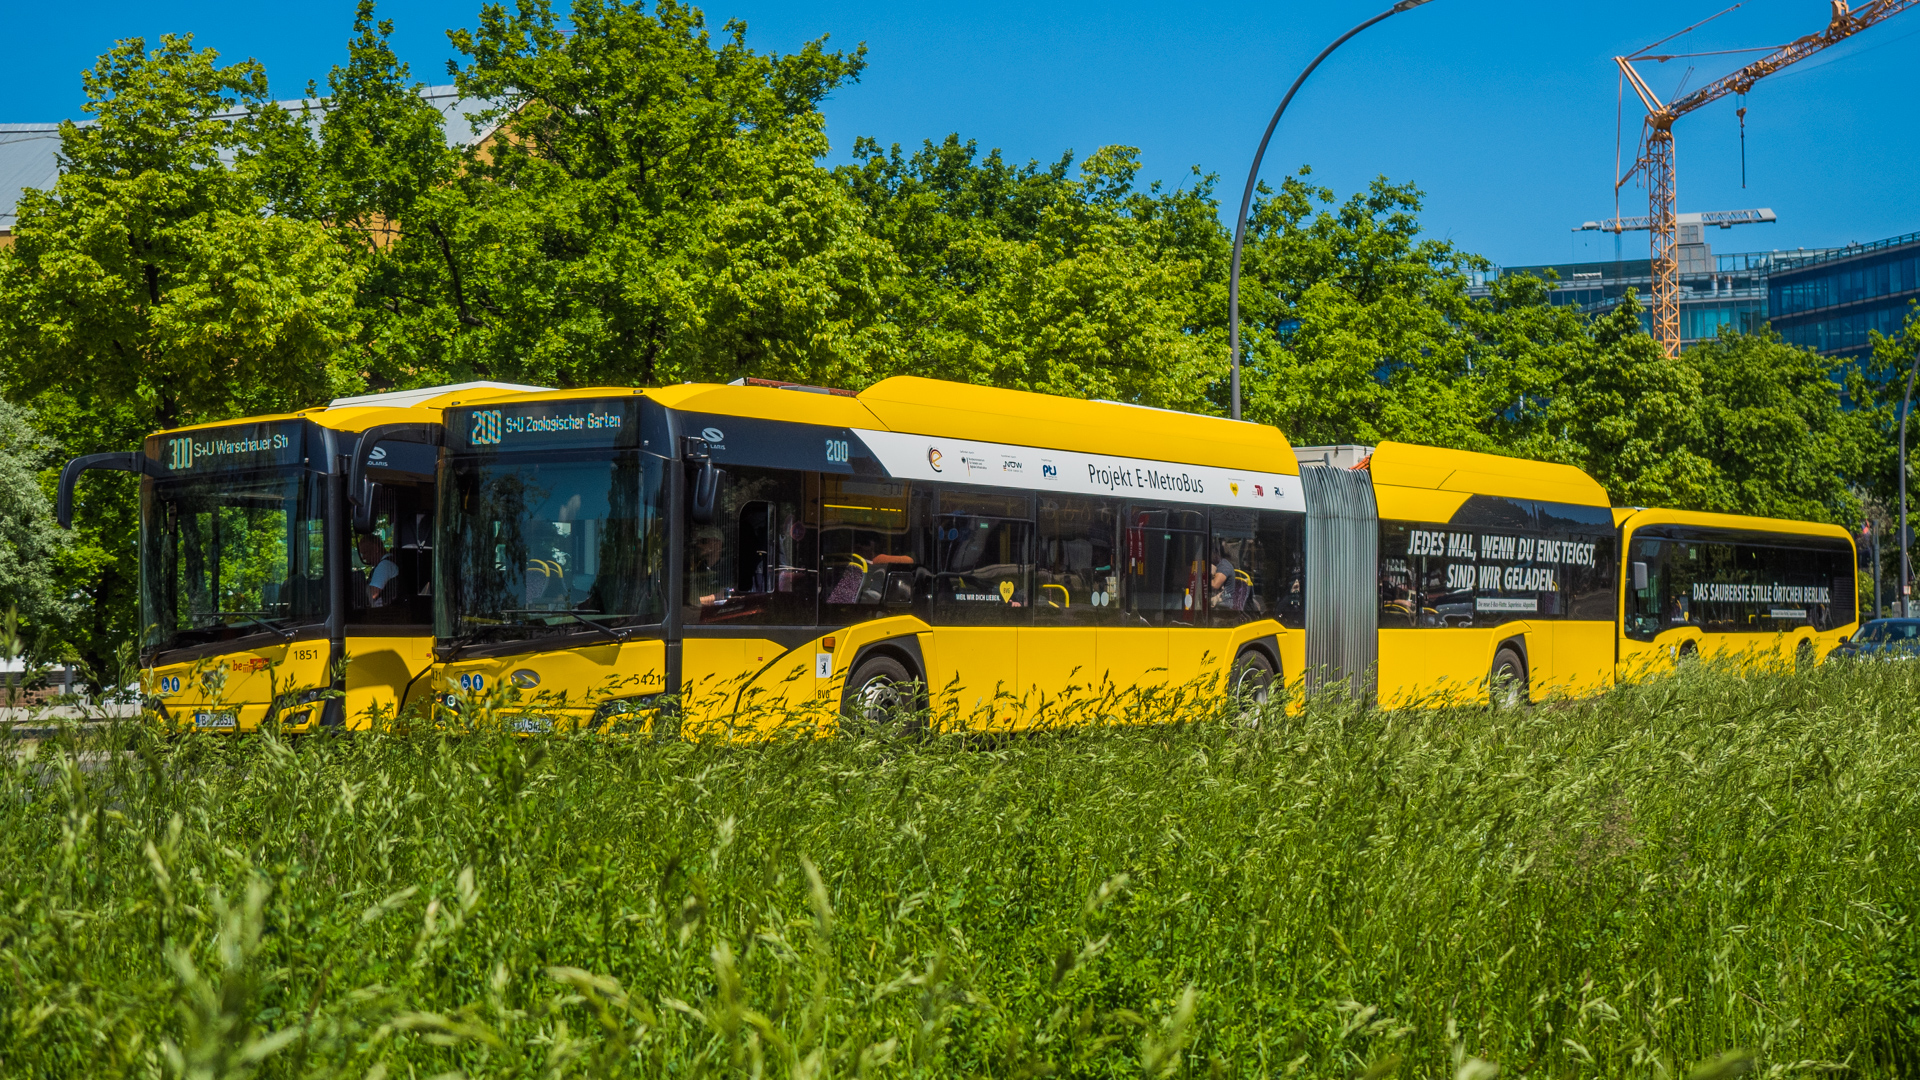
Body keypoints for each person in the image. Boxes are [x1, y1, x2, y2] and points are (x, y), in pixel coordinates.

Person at [358, 534, 399, 608]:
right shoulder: (388, 562)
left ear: (376, 549)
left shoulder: (385, 565)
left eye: (365, 553)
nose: (363, 557)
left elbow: (372, 595)